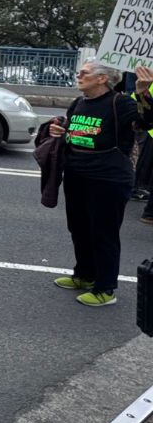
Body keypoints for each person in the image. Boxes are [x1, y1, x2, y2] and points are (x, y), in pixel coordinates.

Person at [48, 61, 153, 307]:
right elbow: (76, 133)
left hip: (109, 178)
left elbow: (147, 123)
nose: (78, 75)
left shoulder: (121, 103)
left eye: (84, 72)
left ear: (102, 78)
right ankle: (84, 276)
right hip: (77, 174)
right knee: (79, 228)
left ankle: (105, 289)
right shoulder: (79, 103)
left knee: (103, 233)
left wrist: (144, 92)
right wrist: (60, 131)